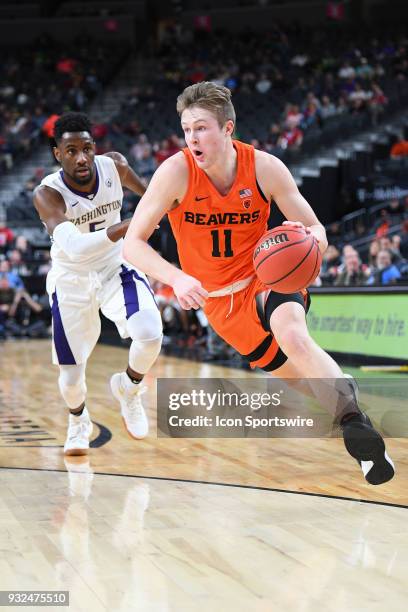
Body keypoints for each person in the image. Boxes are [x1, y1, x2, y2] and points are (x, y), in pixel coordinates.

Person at [122, 82, 394, 486]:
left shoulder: (264, 167)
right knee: (305, 382)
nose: (192, 137)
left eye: (201, 127)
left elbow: (317, 228)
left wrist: (308, 240)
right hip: (219, 304)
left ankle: (356, 429)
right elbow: (132, 244)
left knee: (294, 337)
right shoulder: (175, 172)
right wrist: (176, 278)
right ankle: (358, 420)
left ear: (227, 128)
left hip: (266, 276)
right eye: (186, 129)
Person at [33, 112, 162, 456]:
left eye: (87, 148)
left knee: (150, 334)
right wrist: (129, 226)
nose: (81, 157)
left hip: (114, 267)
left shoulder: (114, 167)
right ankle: (78, 421)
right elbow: (74, 246)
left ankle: (130, 388)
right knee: (72, 380)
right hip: (71, 280)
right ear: (58, 153)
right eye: (71, 150)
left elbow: (153, 198)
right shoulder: (47, 194)